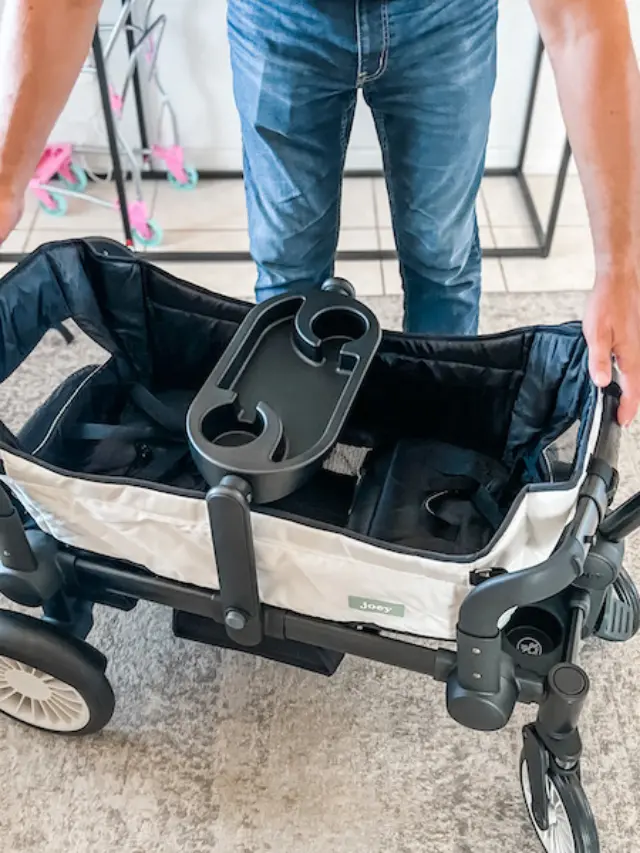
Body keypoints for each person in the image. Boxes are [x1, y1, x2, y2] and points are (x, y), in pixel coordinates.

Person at [0, 0, 639, 423]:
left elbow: (583, 20)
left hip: (446, 16)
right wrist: (6, 179)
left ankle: (432, 450)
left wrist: (622, 264)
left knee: (441, 253)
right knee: (286, 272)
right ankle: (289, 460)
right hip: (279, 15)